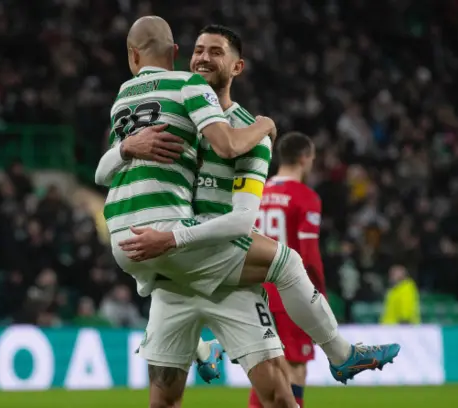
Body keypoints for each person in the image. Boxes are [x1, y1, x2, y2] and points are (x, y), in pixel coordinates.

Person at [97, 15, 399, 408]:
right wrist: (127, 148)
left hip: (218, 266)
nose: (202, 58)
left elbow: (241, 220)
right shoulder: (172, 115)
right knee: (164, 402)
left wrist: (261, 127)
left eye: (215, 52)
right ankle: (334, 354)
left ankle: (211, 349)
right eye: (198, 50)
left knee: (277, 398)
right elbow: (107, 170)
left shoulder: (250, 138)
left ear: (236, 67)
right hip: (174, 267)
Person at [249, 132, 324, 408]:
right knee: (295, 367)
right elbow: (310, 257)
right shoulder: (306, 198)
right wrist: (319, 296)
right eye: (312, 159)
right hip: (290, 294)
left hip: (256, 294)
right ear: (304, 158)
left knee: (264, 368)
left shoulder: (257, 194)